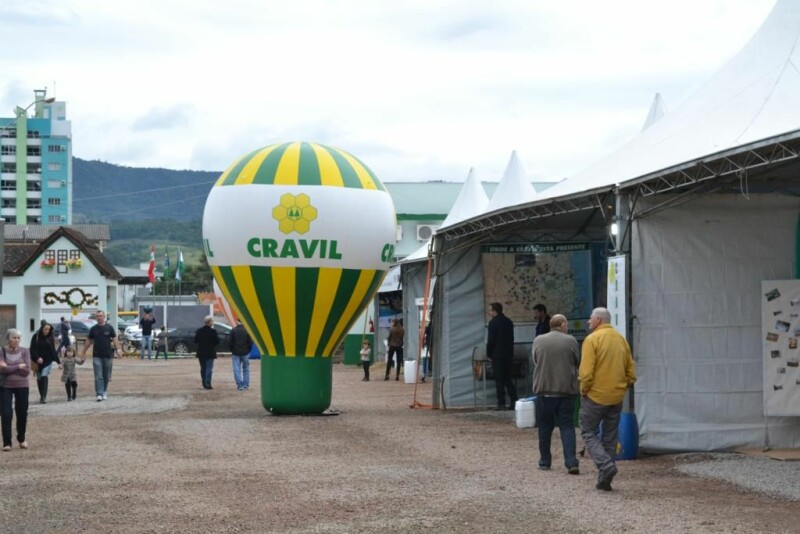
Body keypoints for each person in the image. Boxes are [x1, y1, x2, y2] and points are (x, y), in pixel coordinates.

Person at [578, 307, 636, 491]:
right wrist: (624, 386)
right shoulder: (621, 340)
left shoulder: (592, 339)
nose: (588, 322)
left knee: (588, 432)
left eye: (590, 318)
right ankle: (605, 481)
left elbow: (586, 372)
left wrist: (584, 389)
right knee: (610, 436)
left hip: (595, 395)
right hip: (616, 396)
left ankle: (605, 465)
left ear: (598, 320)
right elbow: (631, 371)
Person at [532, 314, 580, 473]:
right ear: (563, 324)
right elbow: (577, 361)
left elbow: (535, 360)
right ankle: (571, 462)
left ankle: (544, 461)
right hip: (565, 390)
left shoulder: (538, 340)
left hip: (544, 390)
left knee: (544, 427)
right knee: (567, 426)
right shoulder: (571, 341)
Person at [0, 328, 32, 451]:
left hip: (22, 385)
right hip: (5, 386)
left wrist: (8, 367)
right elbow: (1, 370)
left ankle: (21, 439)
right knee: (6, 413)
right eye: (14, 337)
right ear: (8, 339)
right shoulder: (1, 351)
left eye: (18, 338)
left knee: (22, 412)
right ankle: (7, 442)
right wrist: (18, 366)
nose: (16, 340)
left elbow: (27, 370)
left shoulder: (25, 351)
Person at [81, 310, 123, 402]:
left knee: (106, 375)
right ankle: (99, 393)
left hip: (108, 355)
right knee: (98, 376)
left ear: (104, 317)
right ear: (96, 318)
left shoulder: (109, 328)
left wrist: (119, 350)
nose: (99, 317)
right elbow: (88, 341)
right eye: (97, 316)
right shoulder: (93, 329)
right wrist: (83, 352)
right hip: (97, 356)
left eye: (101, 316)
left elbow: (115, 340)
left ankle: (104, 391)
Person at [486, 302, 518, 410]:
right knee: (507, 378)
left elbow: (491, 340)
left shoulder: (493, 323)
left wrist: (489, 353)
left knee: (499, 380)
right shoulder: (508, 322)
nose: (489, 312)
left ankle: (501, 402)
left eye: (490, 310)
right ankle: (514, 400)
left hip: (497, 355)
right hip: (508, 354)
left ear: (495, 311)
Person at [30, 322, 61, 404]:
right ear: (42, 329)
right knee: (39, 378)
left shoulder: (51, 338)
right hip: (37, 361)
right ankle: (41, 396)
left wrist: (58, 362)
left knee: (44, 375)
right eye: (45, 329)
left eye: (48, 329)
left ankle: (44, 397)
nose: (47, 331)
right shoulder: (35, 337)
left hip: (48, 361)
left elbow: (53, 350)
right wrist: (37, 358)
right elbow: (32, 349)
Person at [194, 316, 219, 389]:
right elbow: (217, 341)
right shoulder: (213, 331)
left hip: (201, 352)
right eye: (212, 321)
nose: (213, 322)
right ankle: (207, 383)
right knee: (209, 368)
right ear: (210, 322)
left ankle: (203, 382)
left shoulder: (199, 331)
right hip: (210, 352)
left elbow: (195, 341)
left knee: (203, 368)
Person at [229, 321, 253, 390]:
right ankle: (246, 384)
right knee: (246, 369)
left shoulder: (233, 330)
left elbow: (230, 342)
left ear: (237, 322)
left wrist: (232, 349)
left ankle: (240, 384)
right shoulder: (247, 330)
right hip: (245, 352)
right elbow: (250, 342)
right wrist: (248, 350)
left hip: (236, 352)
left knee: (236, 369)